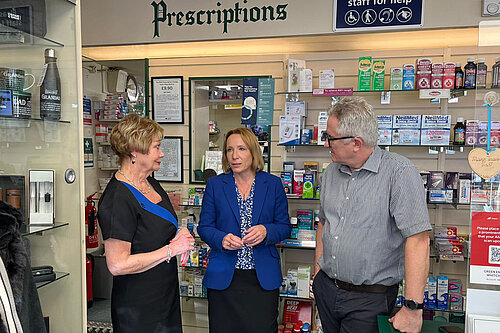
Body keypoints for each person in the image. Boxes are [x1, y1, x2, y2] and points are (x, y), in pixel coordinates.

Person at [312, 97, 431, 333]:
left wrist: (412, 308)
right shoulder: (331, 173)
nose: (326, 144)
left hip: (368, 299)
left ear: (356, 143)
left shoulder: (399, 172)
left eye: (330, 138)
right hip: (327, 289)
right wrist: (317, 275)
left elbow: (419, 241)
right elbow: (324, 224)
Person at [97, 114, 195, 333]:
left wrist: (180, 234)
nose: (162, 154)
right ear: (135, 149)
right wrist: (172, 249)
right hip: (138, 308)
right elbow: (117, 264)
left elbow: (157, 224)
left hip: (164, 297)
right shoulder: (117, 199)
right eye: (156, 147)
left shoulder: (149, 182)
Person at [197, 127, 291, 333]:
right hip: (224, 278)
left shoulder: (272, 184)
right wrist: (221, 239)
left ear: (253, 152)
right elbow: (204, 227)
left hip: (261, 279)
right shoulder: (215, 184)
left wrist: (266, 231)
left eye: (241, 149)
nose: (234, 156)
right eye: (229, 150)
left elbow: (284, 227)